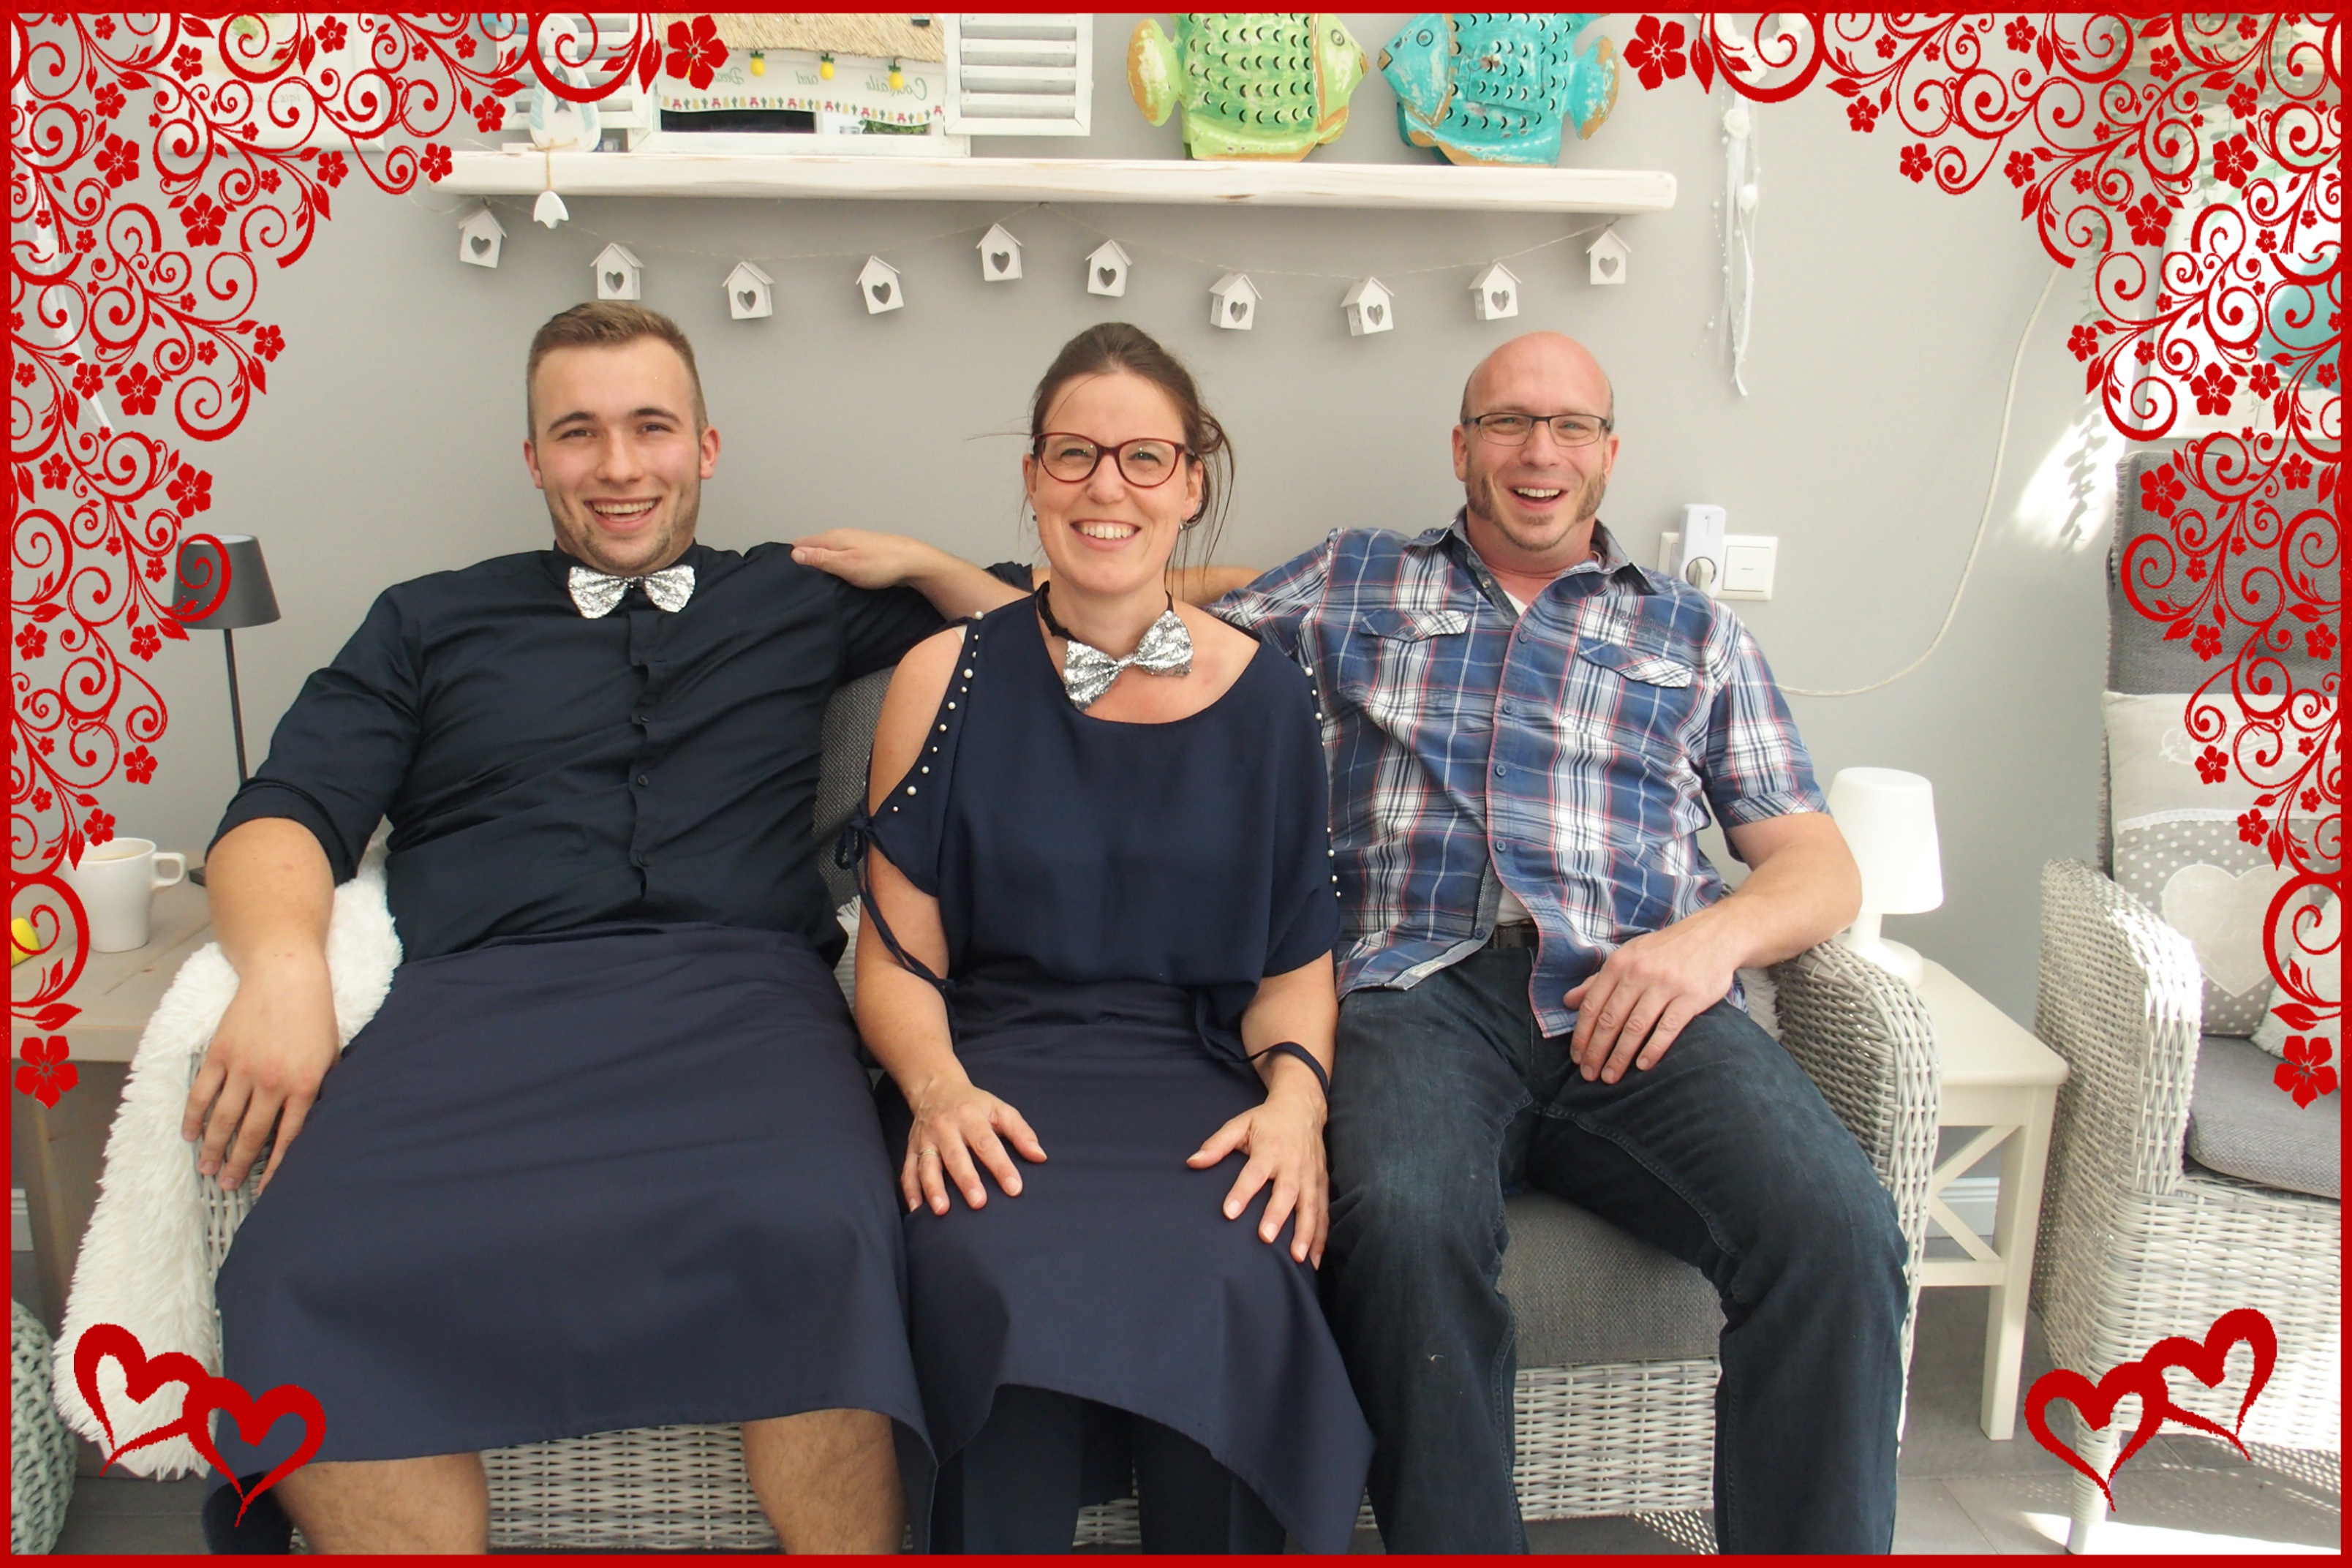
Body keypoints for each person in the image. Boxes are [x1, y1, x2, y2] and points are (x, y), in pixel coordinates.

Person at [186, 301, 1041, 1553]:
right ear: (535, 459)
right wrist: (279, 973)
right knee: (297, 1267)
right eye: (578, 433)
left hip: (743, 1008)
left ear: (706, 446)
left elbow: (1065, 623)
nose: (619, 465)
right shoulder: (425, 621)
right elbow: (284, 811)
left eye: (651, 427)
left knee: (824, 1232)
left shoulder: (797, 599)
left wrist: (922, 562)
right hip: (473, 1014)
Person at [1210, 331, 1906, 1554]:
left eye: (1571, 425)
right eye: (1509, 423)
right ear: (1462, 446)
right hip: (1413, 988)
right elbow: (1145, 617)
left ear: (1608, 451)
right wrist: (944, 576)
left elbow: (1819, 864)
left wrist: (1708, 944)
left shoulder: (1694, 634)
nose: (1541, 451)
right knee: (1403, 1225)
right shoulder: (1352, 579)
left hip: (1643, 992)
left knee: (1839, 1232)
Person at [843, 323, 1374, 1553]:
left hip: (1194, 1076)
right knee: (990, 1267)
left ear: (1190, 484)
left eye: (1145, 458)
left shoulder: (1272, 696)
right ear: (1034, 477)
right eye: (1075, 454)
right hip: (993, 1071)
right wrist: (937, 1094)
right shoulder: (940, 678)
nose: (1106, 487)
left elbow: (1295, 968)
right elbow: (896, 961)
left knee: (1238, 1266)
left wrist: (1295, 1109)